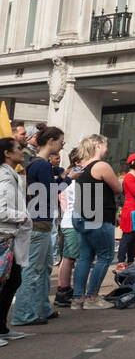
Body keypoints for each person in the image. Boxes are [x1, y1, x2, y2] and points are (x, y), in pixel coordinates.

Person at [11, 125, 65, 328]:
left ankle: (41, 307)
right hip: (38, 223)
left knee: (41, 269)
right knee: (33, 269)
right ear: (50, 141)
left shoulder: (37, 164)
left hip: (39, 221)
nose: (62, 145)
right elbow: (49, 194)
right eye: (60, 141)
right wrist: (67, 179)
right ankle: (23, 313)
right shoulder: (41, 165)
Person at [71, 134, 121, 310]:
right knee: (105, 256)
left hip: (82, 214)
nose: (107, 149)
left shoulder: (83, 167)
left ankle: (78, 298)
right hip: (99, 216)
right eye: (106, 146)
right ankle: (92, 297)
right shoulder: (101, 166)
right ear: (98, 146)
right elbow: (117, 188)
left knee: (84, 258)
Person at [0, 137, 34, 344]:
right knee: (5, 284)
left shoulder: (13, 175)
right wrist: (20, 216)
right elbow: (1, 210)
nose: (22, 151)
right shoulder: (4, 177)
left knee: (13, 282)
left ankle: (2, 327)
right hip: (5, 237)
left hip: (12, 237)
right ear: (7, 153)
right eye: (19, 148)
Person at [53, 144, 87, 308]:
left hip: (72, 221)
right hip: (72, 222)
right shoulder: (75, 178)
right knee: (69, 257)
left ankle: (64, 289)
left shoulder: (71, 176)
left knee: (69, 257)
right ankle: (63, 290)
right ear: (78, 161)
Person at [116, 153, 135, 270]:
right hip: (130, 209)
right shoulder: (129, 177)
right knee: (127, 237)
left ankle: (131, 259)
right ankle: (121, 261)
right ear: (133, 163)